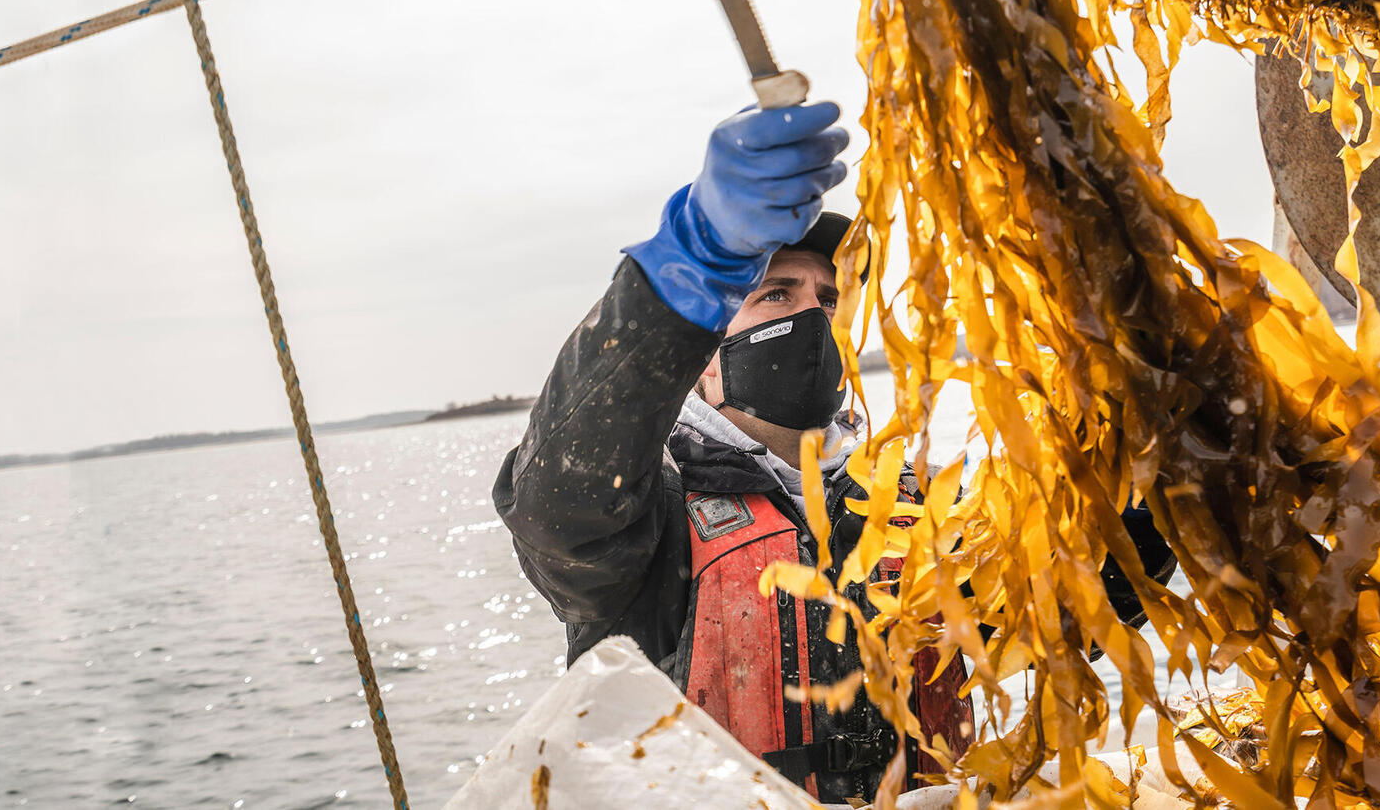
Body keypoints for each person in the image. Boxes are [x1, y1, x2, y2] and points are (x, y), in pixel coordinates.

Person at [492, 101, 1175, 803]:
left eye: (830, 297)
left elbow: (1077, 614)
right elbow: (557, 502)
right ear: (701, 358)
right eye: (774, 294)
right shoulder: (645, 513)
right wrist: (693, 262)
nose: (810, 315)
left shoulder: (918, 509)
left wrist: (1158, 458)